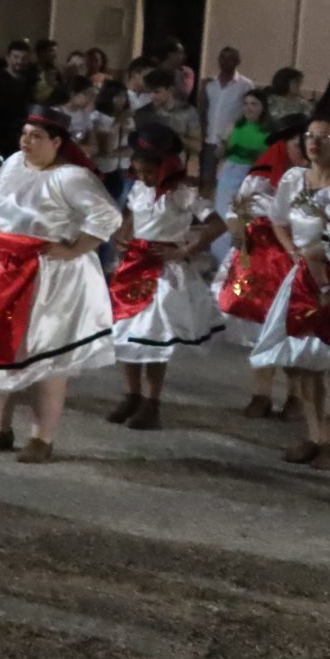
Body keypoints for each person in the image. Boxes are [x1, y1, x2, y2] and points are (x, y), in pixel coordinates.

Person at [0, 104, 120, 462]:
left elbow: (108, 214)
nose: (27, 142)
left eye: (36, 137)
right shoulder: (15, 162)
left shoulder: (72, 177)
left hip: (47, 278)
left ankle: (41, 438)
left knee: (45, 355)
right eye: (25, 134)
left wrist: (76, 248)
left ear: (57, 142)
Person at [248, 117, 330, 470]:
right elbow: (279, 218)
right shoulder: (295, 179)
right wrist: (294, 250)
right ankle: (314, 434)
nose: (314, 141)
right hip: (306, 275)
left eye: (325, 136)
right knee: (304, 361)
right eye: (310, 135)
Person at [106, 122, 226, 430]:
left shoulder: (182, 194)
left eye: (149, 172)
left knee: (154, 337)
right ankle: (131, 395)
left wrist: (187, 249)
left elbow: (216, 224)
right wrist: (124, 234)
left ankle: (152, 402)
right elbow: (135, 215)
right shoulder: (139, 189)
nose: (144, 177)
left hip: (163, 272)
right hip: (133, 268)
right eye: (140, 171)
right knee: (126, 333)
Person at [218, 121, 303, 420]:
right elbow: (235, 209)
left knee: (295, 328)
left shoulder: (316, 178)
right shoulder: (261, 176)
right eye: (296, 142)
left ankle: (297, 396)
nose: (302, 149)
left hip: (297, 257)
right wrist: (238, 227)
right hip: (261, 259)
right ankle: (261, 394)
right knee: (261, 329)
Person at [133, 68, 205, 173]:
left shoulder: (189, 113)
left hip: (174, 173)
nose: (152, 96)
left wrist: (175, 136)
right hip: (145, 174)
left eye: (156, 92)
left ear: (170, 90)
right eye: (149, 92)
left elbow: (198, 147)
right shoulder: (141, 114)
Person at [201, 48, 255, 181]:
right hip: (211, 139)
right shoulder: (210, 84)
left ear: (238, 62)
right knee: (207, 179)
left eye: (230, 59)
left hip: (233, 140)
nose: (225, 62)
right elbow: (203, 108)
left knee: (228, 178)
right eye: (222, 58)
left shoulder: (246, 85)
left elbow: (250, 111)